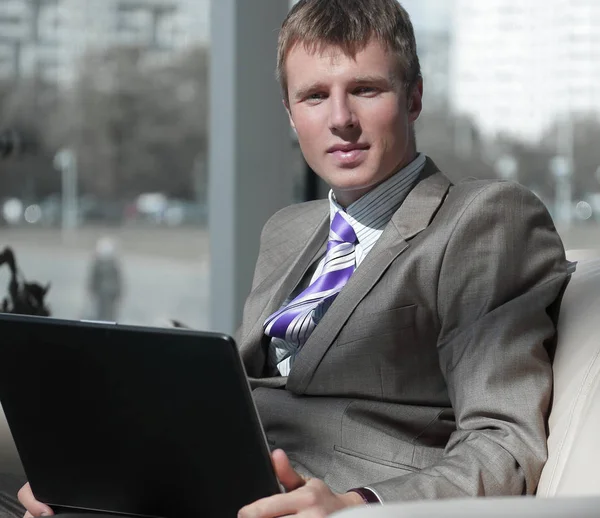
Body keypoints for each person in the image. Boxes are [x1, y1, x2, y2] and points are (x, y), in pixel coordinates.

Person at [14, 0, 569, 517]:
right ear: (289, 111)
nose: (341, 119)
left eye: (367, 90)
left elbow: (505, 442)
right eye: (314, 97)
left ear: (415, 97)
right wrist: (96, 468)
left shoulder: (484, 219)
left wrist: (356, 505)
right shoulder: (289, 229)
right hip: (211, 490)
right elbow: (231, 402)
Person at [86, 237, 123, 322]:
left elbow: (94, 279)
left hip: (104, 293)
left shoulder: (99, 264)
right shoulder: (113, 264)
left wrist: (91, 290)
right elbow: (117, 280)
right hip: (106, 293)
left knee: (104, 314)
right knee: (107, 314)